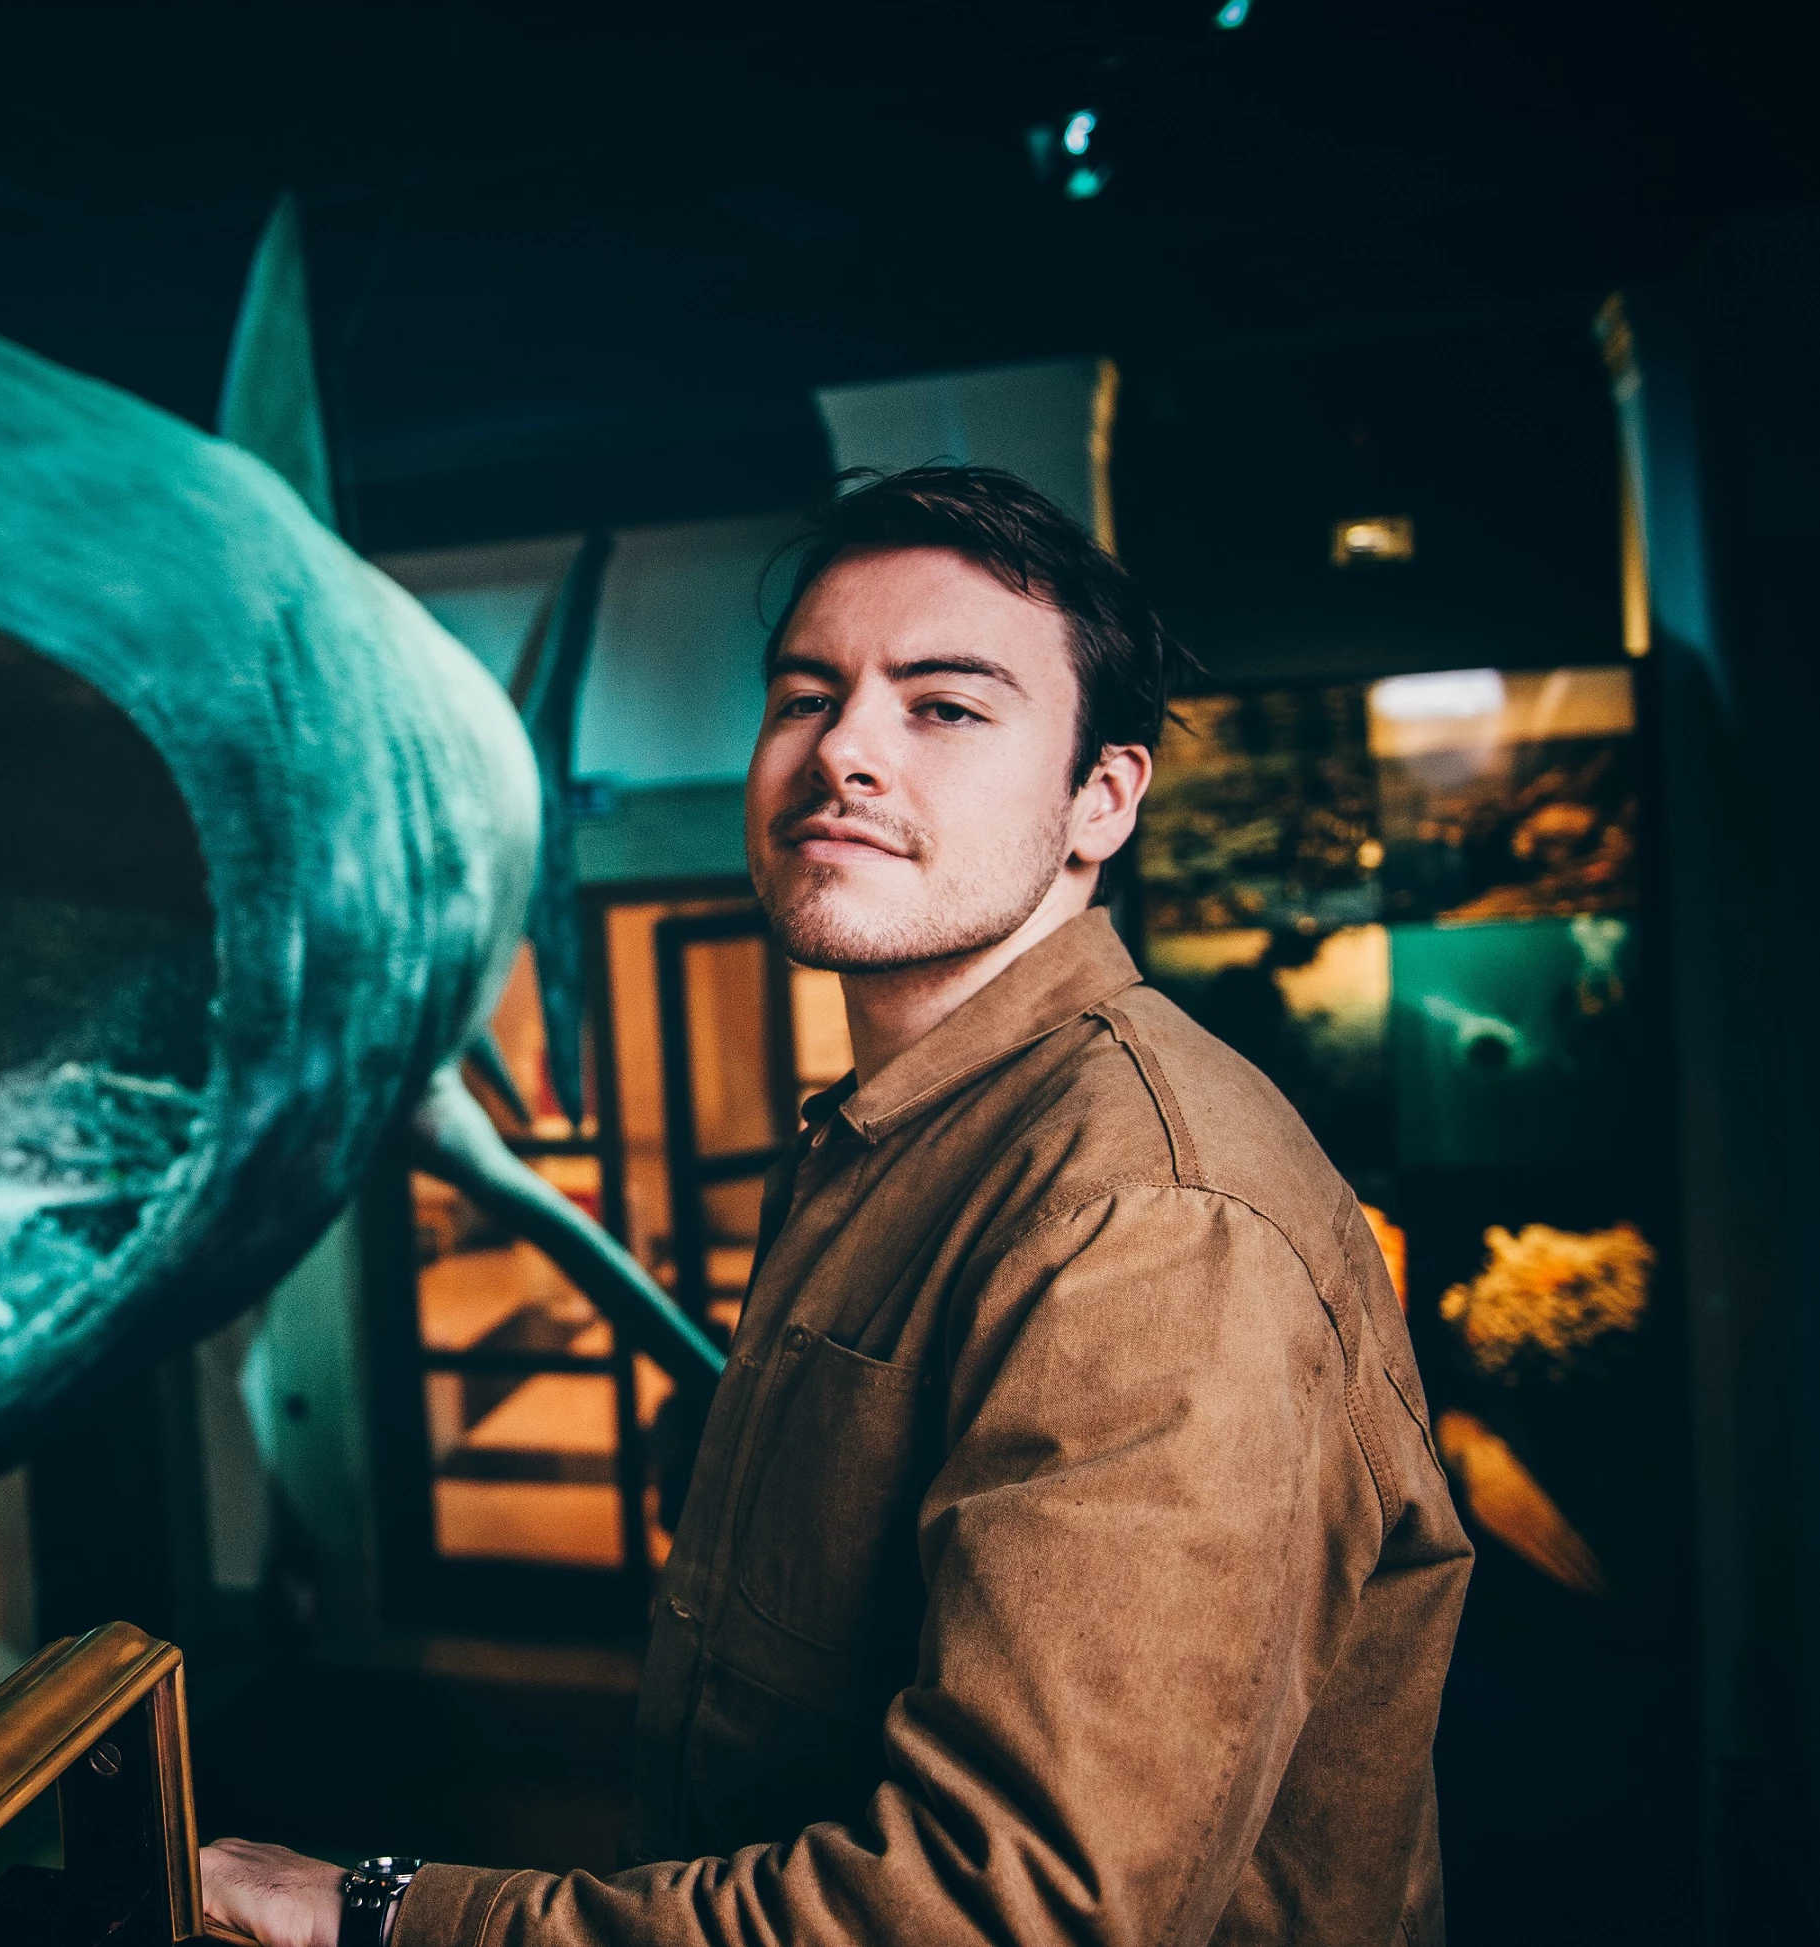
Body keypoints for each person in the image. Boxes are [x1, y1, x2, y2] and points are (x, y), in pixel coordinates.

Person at [202, 465, 1470, 1947]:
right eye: (806, 696)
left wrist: (378, 1914)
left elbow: (1009, 1915)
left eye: (946, 705)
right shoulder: (906, 1135)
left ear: (1101, 799)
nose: (845, 749)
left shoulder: (1149, 1221)